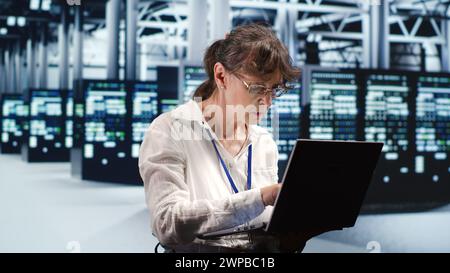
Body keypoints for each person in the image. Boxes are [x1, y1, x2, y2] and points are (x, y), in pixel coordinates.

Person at [139, 23, 320, 253]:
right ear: (221, 76)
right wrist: (260, 197)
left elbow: (265, 222)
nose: (267, 101)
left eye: (273, 90)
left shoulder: (264, 142)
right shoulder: (169, 130)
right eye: (256, 88)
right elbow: (167, 223)